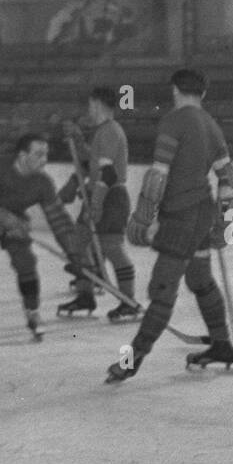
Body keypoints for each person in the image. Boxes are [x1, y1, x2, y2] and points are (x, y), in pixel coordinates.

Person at [105, 70, 233, 383]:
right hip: (202, 214)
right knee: (200, 279)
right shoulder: (211, 125)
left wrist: (142, 218)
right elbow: (229, 178)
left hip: (180, 219)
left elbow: (157, 177)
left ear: (175, 90)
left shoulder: (173, 121)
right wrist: (223, 221)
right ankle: (221, 345)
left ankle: (131, 360)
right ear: (203, 93)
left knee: (163, 289)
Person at [0, 134, 82, 340]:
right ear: (22, 156)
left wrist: (74, 253)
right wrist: (6, 219)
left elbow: (59, 219)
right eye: (38, 154)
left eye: (46, 155)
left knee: (25, 262)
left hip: (13, 218)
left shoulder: (42, 182)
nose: (44, 160)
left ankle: (33, 312)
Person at [57, 86, 138, 322]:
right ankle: (85, 296)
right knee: (78, 243)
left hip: (110, 198)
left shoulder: (110, 131)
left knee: (111, 247)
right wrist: (77, 139)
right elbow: (91, 162)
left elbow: (108, 173)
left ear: (97, 104)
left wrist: (97, 204)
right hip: (98, 196)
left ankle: (129, 302)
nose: (88, 110)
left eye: (90, 105)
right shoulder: (101, 132)